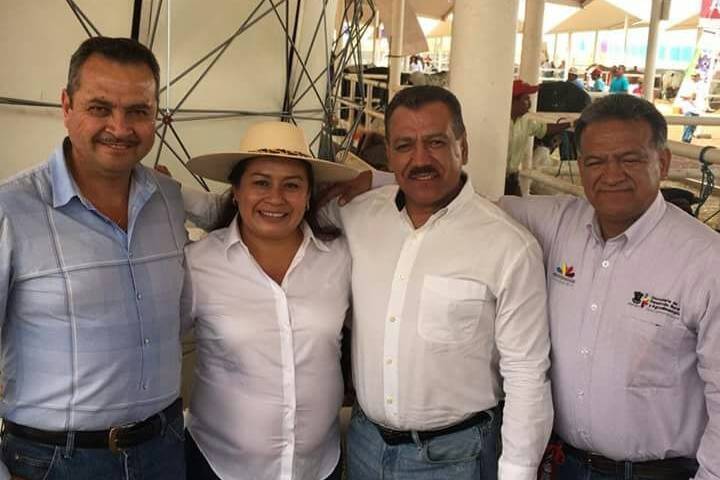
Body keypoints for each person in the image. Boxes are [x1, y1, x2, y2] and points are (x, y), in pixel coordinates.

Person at [330, 85, 553, 479]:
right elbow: (288, 212)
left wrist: (518, 472)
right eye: (404, 146)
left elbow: (526, 372)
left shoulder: (509, 246)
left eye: (436, 142)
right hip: (365, 446)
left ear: (462, 147)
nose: (420, 159)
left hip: (456, 459)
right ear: (390, 154)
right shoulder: (356, 216)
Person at [500, 94, 718, 480]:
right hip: (564, 465)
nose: (611, 175)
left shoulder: (705, 260)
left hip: (659, 473)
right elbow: (471, 208)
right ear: (580, 165)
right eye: (595, 161)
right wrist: (382, 189)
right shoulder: (557, 223)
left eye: (630, 159)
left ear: (663, 162)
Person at [0, 37, 186, 479]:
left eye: (138, 111)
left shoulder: (170, 198)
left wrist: (335, 191)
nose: (120, 128)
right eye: (100, 108)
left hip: (163, 448)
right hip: (55, 462)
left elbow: (239, 208)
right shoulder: (11, 209)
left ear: (156, 114)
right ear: (66, 105)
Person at [181, 121, 358, 480]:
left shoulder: (340, 258)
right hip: (220, 467)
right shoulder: (198, 264)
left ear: (308, 195)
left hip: (317, 467)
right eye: (261, 182)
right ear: (236, 191)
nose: (276, 198)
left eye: (291, 185)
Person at [507, 80, 572, 195]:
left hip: (512, 177)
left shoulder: (525, 122)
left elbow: (544, 129)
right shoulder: (500, 121)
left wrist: (571, 124)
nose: (530, 103)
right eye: (526, 99)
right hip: (496, 176)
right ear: (513, 101)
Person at [676, 72, 705, 143]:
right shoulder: (687, 85)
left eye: (696, 76)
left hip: (697, 109)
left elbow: (701, 97)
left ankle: (686, 141)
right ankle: (685, 141)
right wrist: (690, 97)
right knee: (688, 126)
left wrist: (691, 97)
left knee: (692, 127)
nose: (694, 77)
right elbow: (682, 95)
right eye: (693, 76)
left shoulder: (702, 86)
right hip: (688, 109)